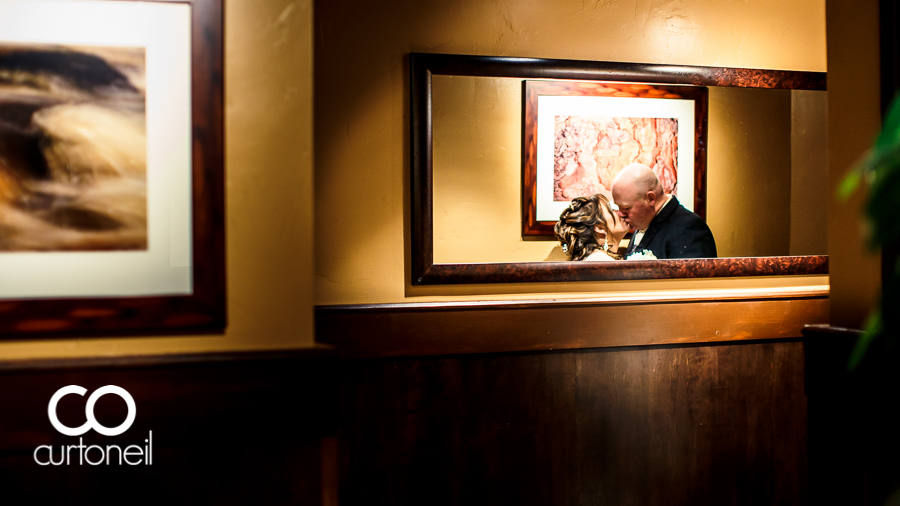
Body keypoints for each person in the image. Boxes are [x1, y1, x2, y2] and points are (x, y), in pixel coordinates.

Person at [611, 163, 717, 259]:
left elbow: (692, 279)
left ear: (651, 198)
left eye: (626, 208)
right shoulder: (643, 221)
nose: (620, 214)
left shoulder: (689, 228)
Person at [554, 193, 630, 261]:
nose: (619, 212)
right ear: (600, 228)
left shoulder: (596, 258)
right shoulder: (600, 261)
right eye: (612, 209)